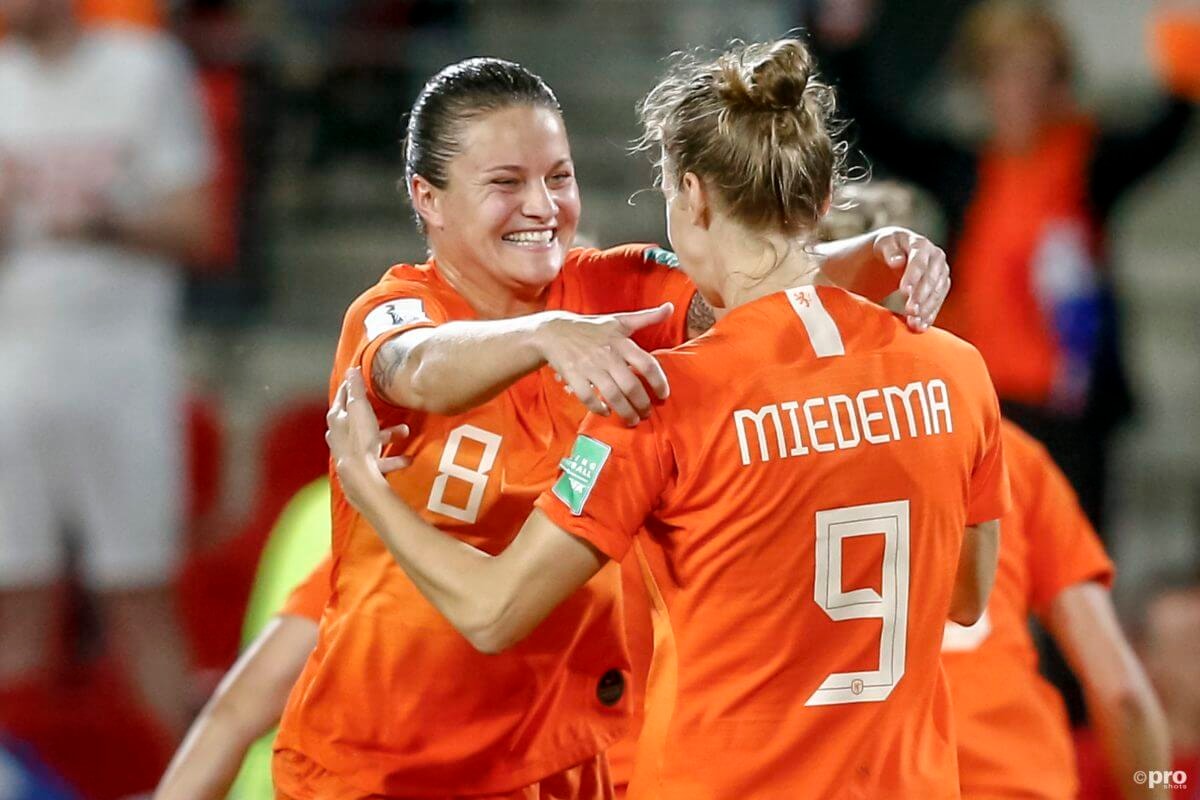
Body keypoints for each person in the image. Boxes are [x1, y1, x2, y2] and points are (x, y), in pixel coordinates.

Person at [326, 38, 1009, 799]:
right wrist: (544, 334)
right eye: (506, 182)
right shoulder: (958, 372)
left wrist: (367, 486)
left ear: (693, 196)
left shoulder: (651, 387)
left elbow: (492, 612)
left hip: (601, 764)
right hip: (394, 765)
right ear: (426, 197)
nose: (542, 206)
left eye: (559, 177)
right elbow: (416, 367)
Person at [816, 0, 1197, 531]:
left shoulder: (1088, 159)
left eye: (1036, 74)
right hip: (981, 400)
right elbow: (873, 127)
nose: (1022, 92)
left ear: (1058, 82)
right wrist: (843, 35)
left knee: (1070, 546)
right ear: (983, 85)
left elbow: (1169, 125)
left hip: (1070, 408)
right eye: (1007, 75)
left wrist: (1182, 28)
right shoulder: (964, 168)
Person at [0, 0, 213, 739]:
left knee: (139, 594)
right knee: (14, 599)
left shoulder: (142, 68)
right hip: (13, 370)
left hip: (122, 371)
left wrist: (100, 221)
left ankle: (188, 781)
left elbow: (198, 226)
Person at [942, 420, 1171, 800]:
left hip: (879, 775)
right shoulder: (1008, 452)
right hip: (1015, 775)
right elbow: (1123, 694)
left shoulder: (831, 445)